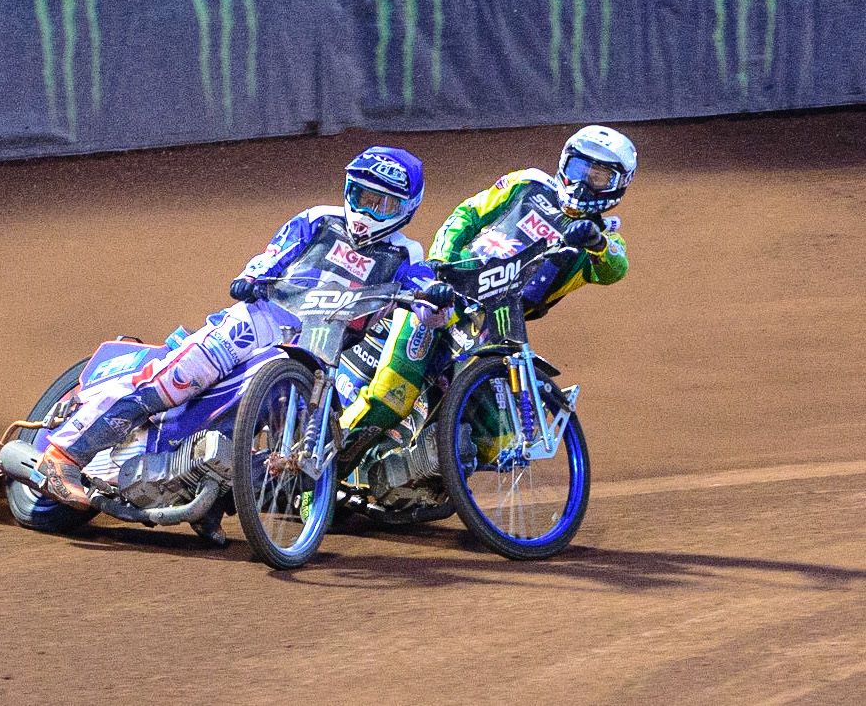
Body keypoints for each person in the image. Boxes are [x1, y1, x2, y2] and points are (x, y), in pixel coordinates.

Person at [34, 146, 453, 530]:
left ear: (407, 209)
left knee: (300, 451)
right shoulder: (318, 219)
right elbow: (275, 252)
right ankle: (64, 456)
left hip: (319, 354)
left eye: (383, 205)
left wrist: (436, 303)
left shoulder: (406, 255)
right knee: (174, 380)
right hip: (259, 321)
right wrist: (253, 275)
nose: (368, 212)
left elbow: (426, 297)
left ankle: (209, 496)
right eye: (362, 198)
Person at [340, 125, 636, 444]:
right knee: (392, 395)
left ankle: (431, 473)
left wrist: (595, 241)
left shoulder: (603, 240)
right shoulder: (529, 183)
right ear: (565, 163)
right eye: (579, 169)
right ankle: (322, 469)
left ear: (617, 186)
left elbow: (615, 267)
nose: (582, 183)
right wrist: (441, 262)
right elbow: (467, 214)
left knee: (499, 435)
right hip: (451, 291)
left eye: (598, 177)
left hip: (497, 324)